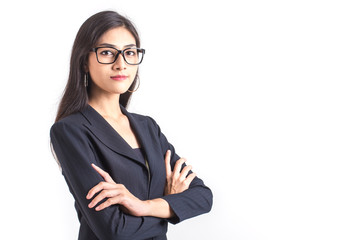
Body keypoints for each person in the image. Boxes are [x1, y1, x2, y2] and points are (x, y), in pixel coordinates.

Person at [50, 10, 213, 240]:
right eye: (107, 53)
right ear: (84, 61)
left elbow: (203, 197)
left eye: (129, 52)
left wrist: (143, 206)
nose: (121, 64)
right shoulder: (71, 130)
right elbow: (114, 230)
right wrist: (169, 207)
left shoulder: (148, 127)